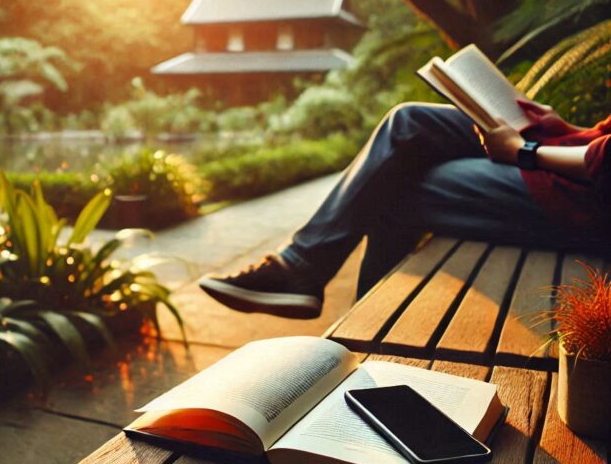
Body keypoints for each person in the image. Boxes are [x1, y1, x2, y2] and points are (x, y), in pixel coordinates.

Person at [199, 99, 610, 319]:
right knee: (409, 121)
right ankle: (303, 266)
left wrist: (525, 150)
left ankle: (362, 342)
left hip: (585, 201)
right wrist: (572, 131)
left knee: (396, 186)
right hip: (579, 161)